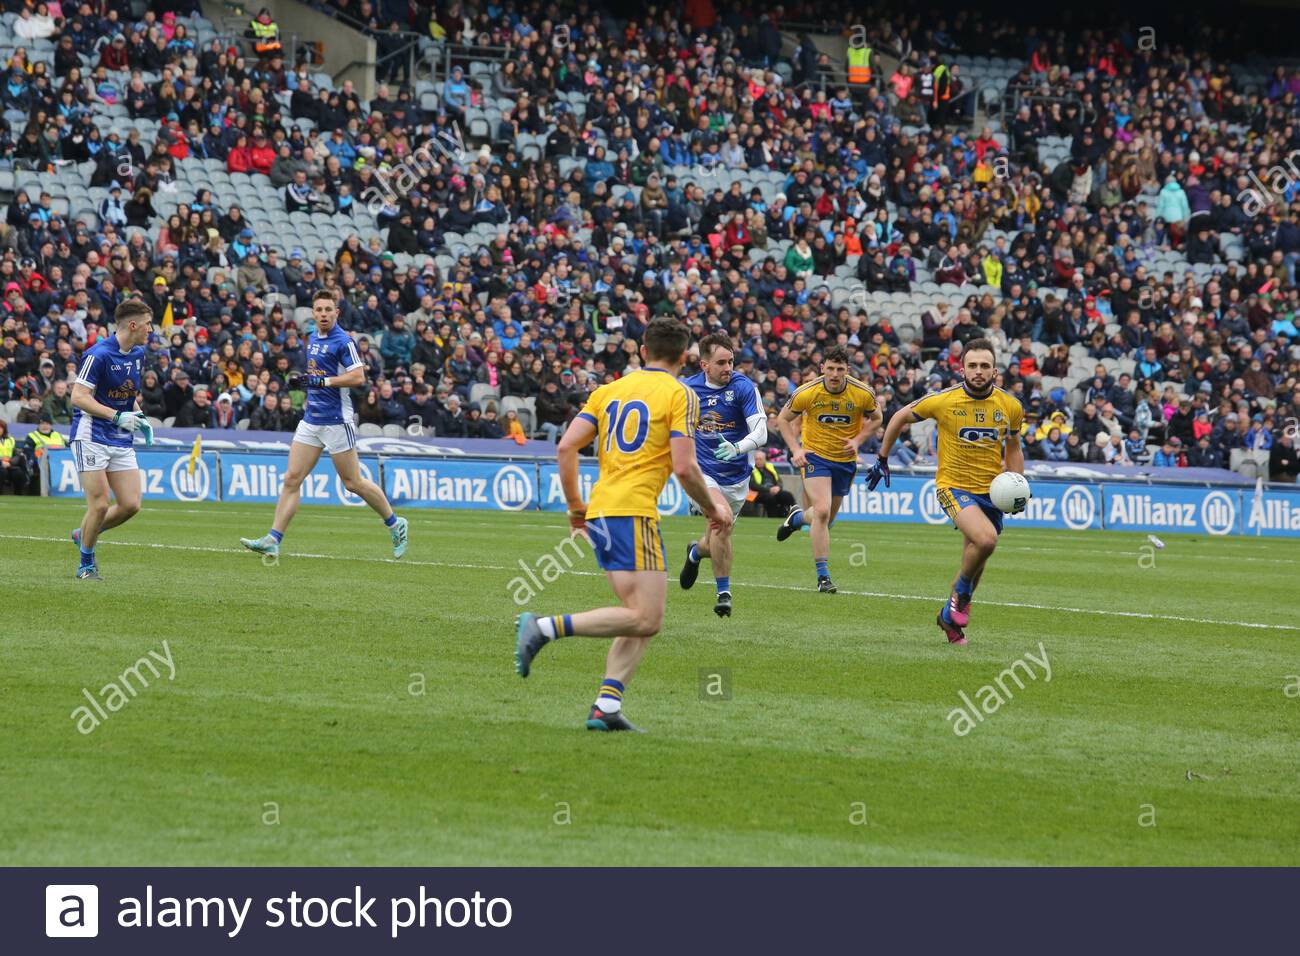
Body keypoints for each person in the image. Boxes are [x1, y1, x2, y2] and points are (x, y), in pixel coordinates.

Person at [513, 318, 729, 732]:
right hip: (633, 512)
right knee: (647, 619)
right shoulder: (681, 394)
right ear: (685, 358)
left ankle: (607, 706)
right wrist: (712, 509)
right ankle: (543, 627)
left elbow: (565, 446)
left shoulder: (608, 390)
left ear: (642, 349)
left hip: (602, 509)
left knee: (639, 614)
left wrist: (576, 507)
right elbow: (684, 467)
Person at [870, 338, 1025, 646]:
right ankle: (962, 596)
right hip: (953, 486)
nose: (978, 371)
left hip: (992, 493)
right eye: (972, 365)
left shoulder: (1010, 406)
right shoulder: (944, 401)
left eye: (984, 366)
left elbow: (1014, 447)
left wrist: (1017, 484)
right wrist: (882, 457)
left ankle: (947, 617)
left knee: (977, 558)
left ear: (995, 371)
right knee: (986, 540)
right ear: (961, 368)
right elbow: (900, 416)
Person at [239, 291, 408, 559]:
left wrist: (322, 382)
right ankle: (274, 538)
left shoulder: (344, 341)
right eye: (318, 310)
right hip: (312, 420)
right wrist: (304, 380)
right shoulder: (313, 338)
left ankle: (395, 523)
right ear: (313, 313)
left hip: (337, 421)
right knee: (292, 478)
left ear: (336, 312)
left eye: (328, 309)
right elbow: (318, 376)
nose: (323, 314)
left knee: (352, 482)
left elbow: (357, 377)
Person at [773, 346, 881, 593]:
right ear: (822, 368)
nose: (834, 374)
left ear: (847, 370)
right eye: (830, 368)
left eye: (839, 369)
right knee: (821, 511)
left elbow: (877, 418)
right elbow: (782, 419)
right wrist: (796, 449)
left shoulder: (862, 393)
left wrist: (858, 441)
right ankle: (823, 577)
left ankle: (797, 517)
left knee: (826, 520)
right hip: (815, 456)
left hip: (844, 460)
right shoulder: (808, 392)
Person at [677, 332, 766, 617]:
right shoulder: (687, 391)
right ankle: (723, 593)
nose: (728, 367)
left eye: (731, 361)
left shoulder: (744, 387)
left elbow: (761, 431)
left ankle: (695, 553)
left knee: (717, 533)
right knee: (722, 518)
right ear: (704, 365)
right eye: (721, 362)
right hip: (702, 473)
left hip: (737, 476)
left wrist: (738, 447)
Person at [67, 299, 156, 580]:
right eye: (148, 325)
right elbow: (78, 397)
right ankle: (86, 564)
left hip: (119, 437)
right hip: (91, 435)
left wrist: (140, 418)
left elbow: (128, 397)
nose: (151, 330)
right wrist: (117, 417)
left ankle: (85, 532)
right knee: (100, 504)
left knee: (131, 504)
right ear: (133, 325)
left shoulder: (138, 354)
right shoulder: (98, 354)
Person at [749, 450, 795, 517]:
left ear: (765, 460)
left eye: (760, 459)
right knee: (770, 498)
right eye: (756, 459)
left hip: (774, 490)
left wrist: (778, 487)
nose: (758, 461)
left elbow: (779, 480)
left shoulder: (770, 467)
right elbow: (752, 485)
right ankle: (773, 517)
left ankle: (791, 515)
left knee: (787, 495)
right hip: (759, 492)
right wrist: (769, 489)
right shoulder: (751, 469)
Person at [0, 419, 26, 494]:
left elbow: (16, 454)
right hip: (1, 465)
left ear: (4, 429)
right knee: (2, 471)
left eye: (1, 427)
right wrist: (1, 462)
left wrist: (10, 463)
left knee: (18, 472)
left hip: (9, 464)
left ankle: (18, 494)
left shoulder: (11, 439)